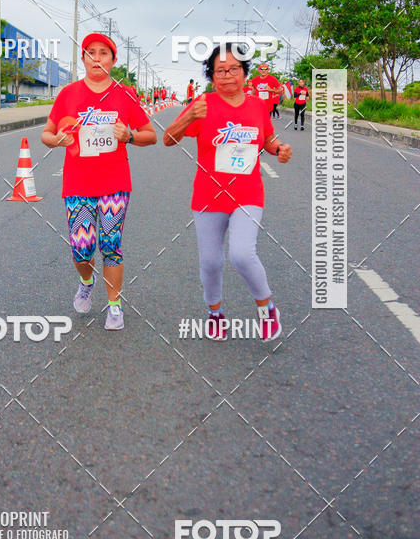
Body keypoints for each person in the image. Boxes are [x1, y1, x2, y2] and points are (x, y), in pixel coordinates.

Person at [163, 42, 292, 342]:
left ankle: (266, 308)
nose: (227, 75)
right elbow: (168, 139)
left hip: (248, 194)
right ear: (212, 76)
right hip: (208, 196)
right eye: (219, 70)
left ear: (245, 73)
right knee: (210, 261)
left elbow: (267, 140)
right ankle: (215, 313)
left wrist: (279, 150)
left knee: (242, 254)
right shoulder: (202, 104)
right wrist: (188, 116)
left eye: (233, 68)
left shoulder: (258, 106)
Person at [41, 33, 156, 330]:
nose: (96, 58)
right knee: (82, 248)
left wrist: (128, 135)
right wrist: (57, 140)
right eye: (90, 53)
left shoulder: (124, 95)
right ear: (83, 59)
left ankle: (114, 306)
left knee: (110, 244)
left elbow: (150, 134)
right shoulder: (68, 94)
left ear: (113, 60)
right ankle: (86, 280)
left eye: (103, 53)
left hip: (114, 182)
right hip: (78, 183)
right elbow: (47, 134)